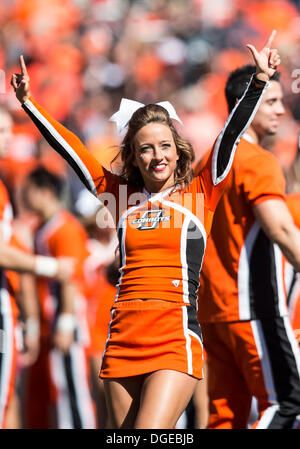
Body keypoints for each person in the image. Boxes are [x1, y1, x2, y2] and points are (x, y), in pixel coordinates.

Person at [11, 33, 280, 429]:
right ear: (134, 157)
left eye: (165, 146)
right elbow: (72, 152)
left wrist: (258, 81)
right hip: (121, 335)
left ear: (178, 148)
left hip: (174, 335)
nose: (158, 156)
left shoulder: (200, 189)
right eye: (146, 149)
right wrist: (29, 104)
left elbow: (231, 133)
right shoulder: (117, 196)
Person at [197, 64, 300, 429]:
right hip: (253, 308)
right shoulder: (258, 160)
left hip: (212, 312)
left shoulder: (208, 161)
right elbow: (282, 231)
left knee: (225, 417)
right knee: (287, 405)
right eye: (271, 101)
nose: (281, 110)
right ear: (249, 101)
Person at [0, 107, 74, 429]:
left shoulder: (61, 227)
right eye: (1, 131)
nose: (9, 138)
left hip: (39, 322)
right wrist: (48, 266)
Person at [21, 166, 96, 429]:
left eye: (28, 190)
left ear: (45, 191)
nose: (24, 196)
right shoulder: (44, 227)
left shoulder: (65, 228)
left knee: (72, 389)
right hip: (53, 320)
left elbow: (71, 276)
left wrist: (65, 322)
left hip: (69, 319)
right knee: (59, 388)